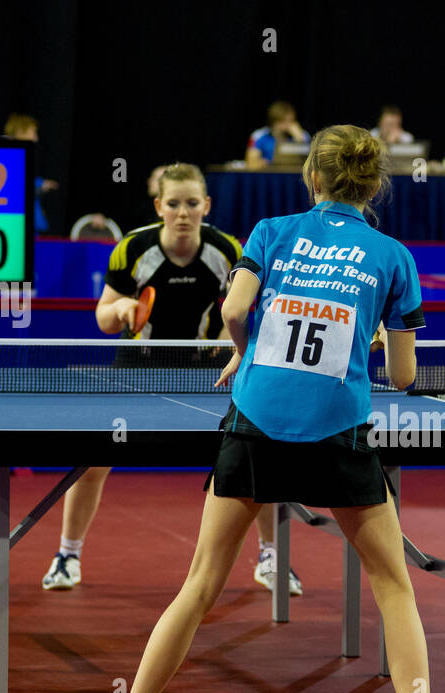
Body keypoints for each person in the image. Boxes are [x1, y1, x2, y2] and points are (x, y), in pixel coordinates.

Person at [90, 125, 445, 693]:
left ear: (311, 179)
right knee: (392, 584)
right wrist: (375, 339)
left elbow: (236, 308)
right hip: (339, 433)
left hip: (255, 421)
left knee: (202, 583)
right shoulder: (392, 256)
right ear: (375, 185)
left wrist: (245, 351)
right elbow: (406, 378)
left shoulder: (269, 230)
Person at [41, 164, 303, 597]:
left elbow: (239, 308)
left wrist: (226, 340)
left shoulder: (227, 249)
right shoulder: (132, 248)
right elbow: (103, 318)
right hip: (135, 369)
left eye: (192, 204)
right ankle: (68, 555)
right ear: (159, 205)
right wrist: (122, 310)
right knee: (92, 462)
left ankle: (271, 558)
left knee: (255, 458)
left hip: (205, 373)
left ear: (206, 206)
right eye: (175, 204)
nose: (184, 213)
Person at [4, 113, 59, 233]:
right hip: (15, 225)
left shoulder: (21, 157)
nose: (36, 138)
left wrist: (40, 184)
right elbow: (14, 184)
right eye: (33, 133)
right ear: (21, 132)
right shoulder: (6, 157)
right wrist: (39, 185)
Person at [245, 101, 310, 168]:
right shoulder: (258, 135)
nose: (287, 125)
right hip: (268, 174)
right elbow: (251, 162)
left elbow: (308, 162)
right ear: (273, 122)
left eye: (291, 121)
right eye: (283, 121)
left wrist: (299, 138)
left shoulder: (303, 135)